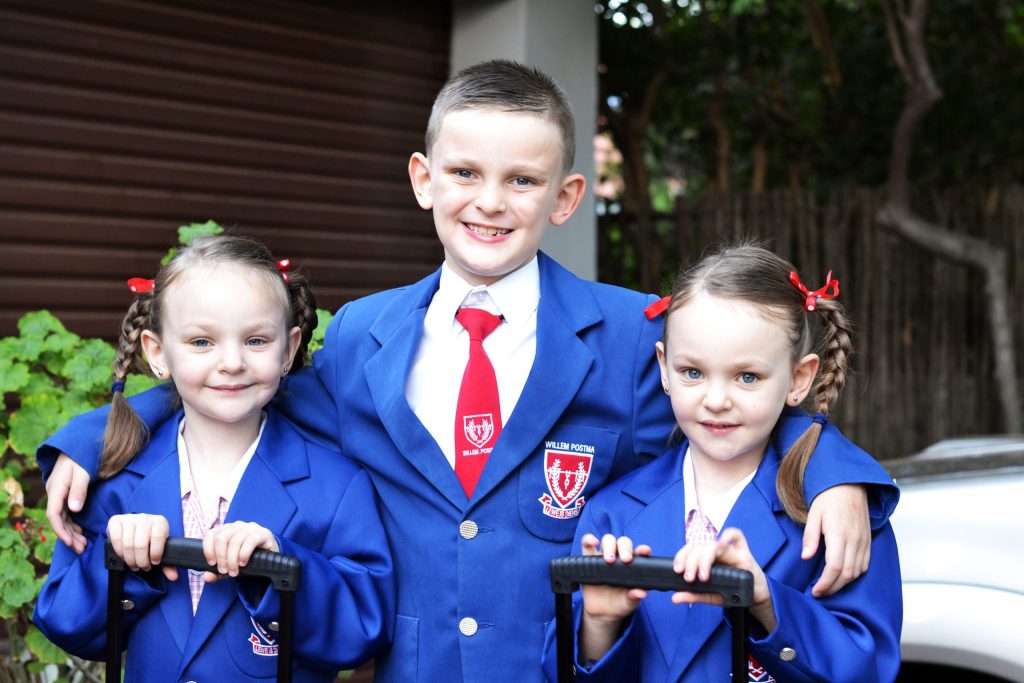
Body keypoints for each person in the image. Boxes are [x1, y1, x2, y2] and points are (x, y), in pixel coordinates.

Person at [37, 61, 897, 682]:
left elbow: (731, 405)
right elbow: (243, 390)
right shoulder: (363, 334)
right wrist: (106, 428)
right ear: (423, 180)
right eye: (464, 173)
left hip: (558, 665)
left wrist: (831, 469)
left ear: (564, 198)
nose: (489, 201)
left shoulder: (634, 333)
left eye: (522, 179)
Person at [33, 236, 394, 682]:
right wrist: (120, 562)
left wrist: (281, 566)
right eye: (202, 342)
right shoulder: (117, 479)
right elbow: (64, 623)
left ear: (289, 348)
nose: (231, 362)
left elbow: (364, 630)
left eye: (256, 340)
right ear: (157, 352)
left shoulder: (338, 487)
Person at [542, 244, 902, 682]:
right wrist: (598, 624)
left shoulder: (833, 518)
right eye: (692, 372)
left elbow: (867, 670)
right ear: (663, 368)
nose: (715, 400)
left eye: (747, 377)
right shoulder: (611, 512)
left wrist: (768, 604)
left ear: (799, 379)